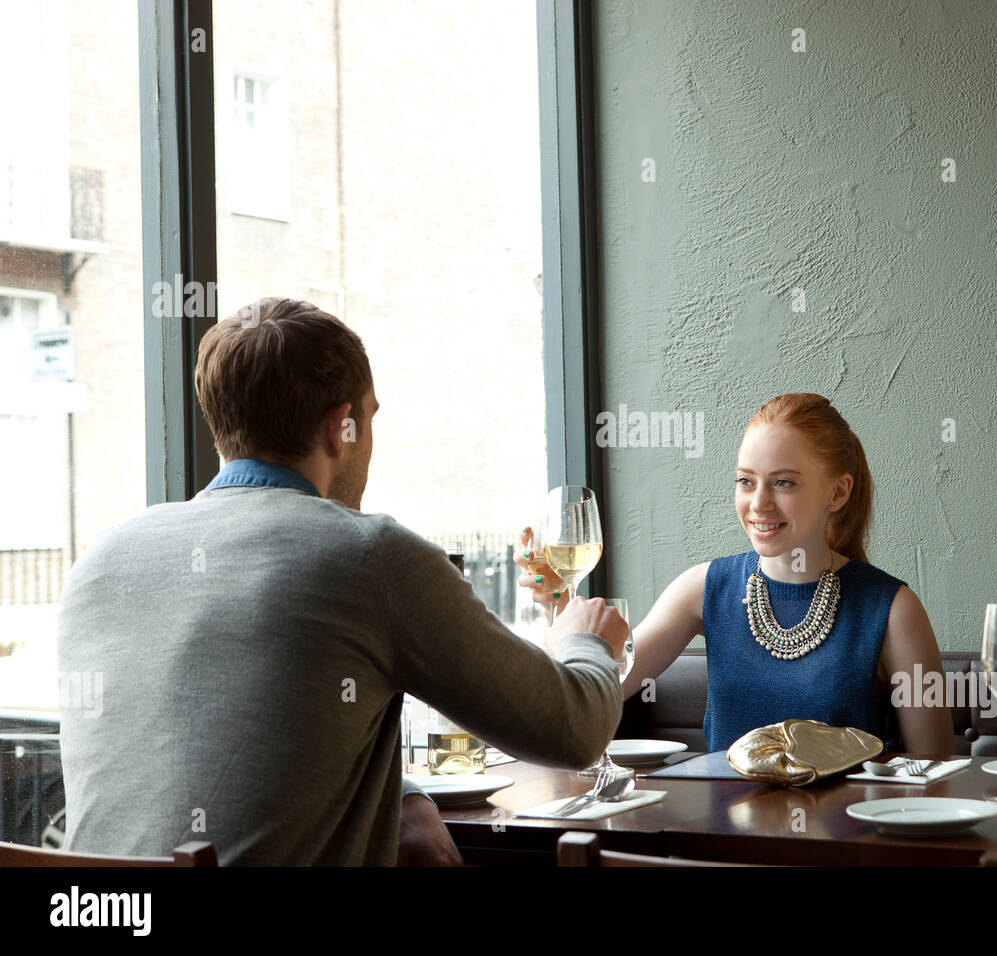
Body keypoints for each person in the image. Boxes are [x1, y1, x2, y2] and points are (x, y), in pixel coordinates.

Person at [57, 297, 629, 865]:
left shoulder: (100, 560)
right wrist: (586, 640)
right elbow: (573, 732)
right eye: (370, 419)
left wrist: (404, 794)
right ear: (342, 428)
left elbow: (204, 740)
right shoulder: (369, 555)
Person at [518, 393, 953, 754]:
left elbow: (935, 774)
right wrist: (556, 608)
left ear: (838, 491)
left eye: (783, 483)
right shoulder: (701, 588)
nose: (759, 503)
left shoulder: (894, 609)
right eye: (746, 481)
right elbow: (588, 697)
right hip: (719, 845)